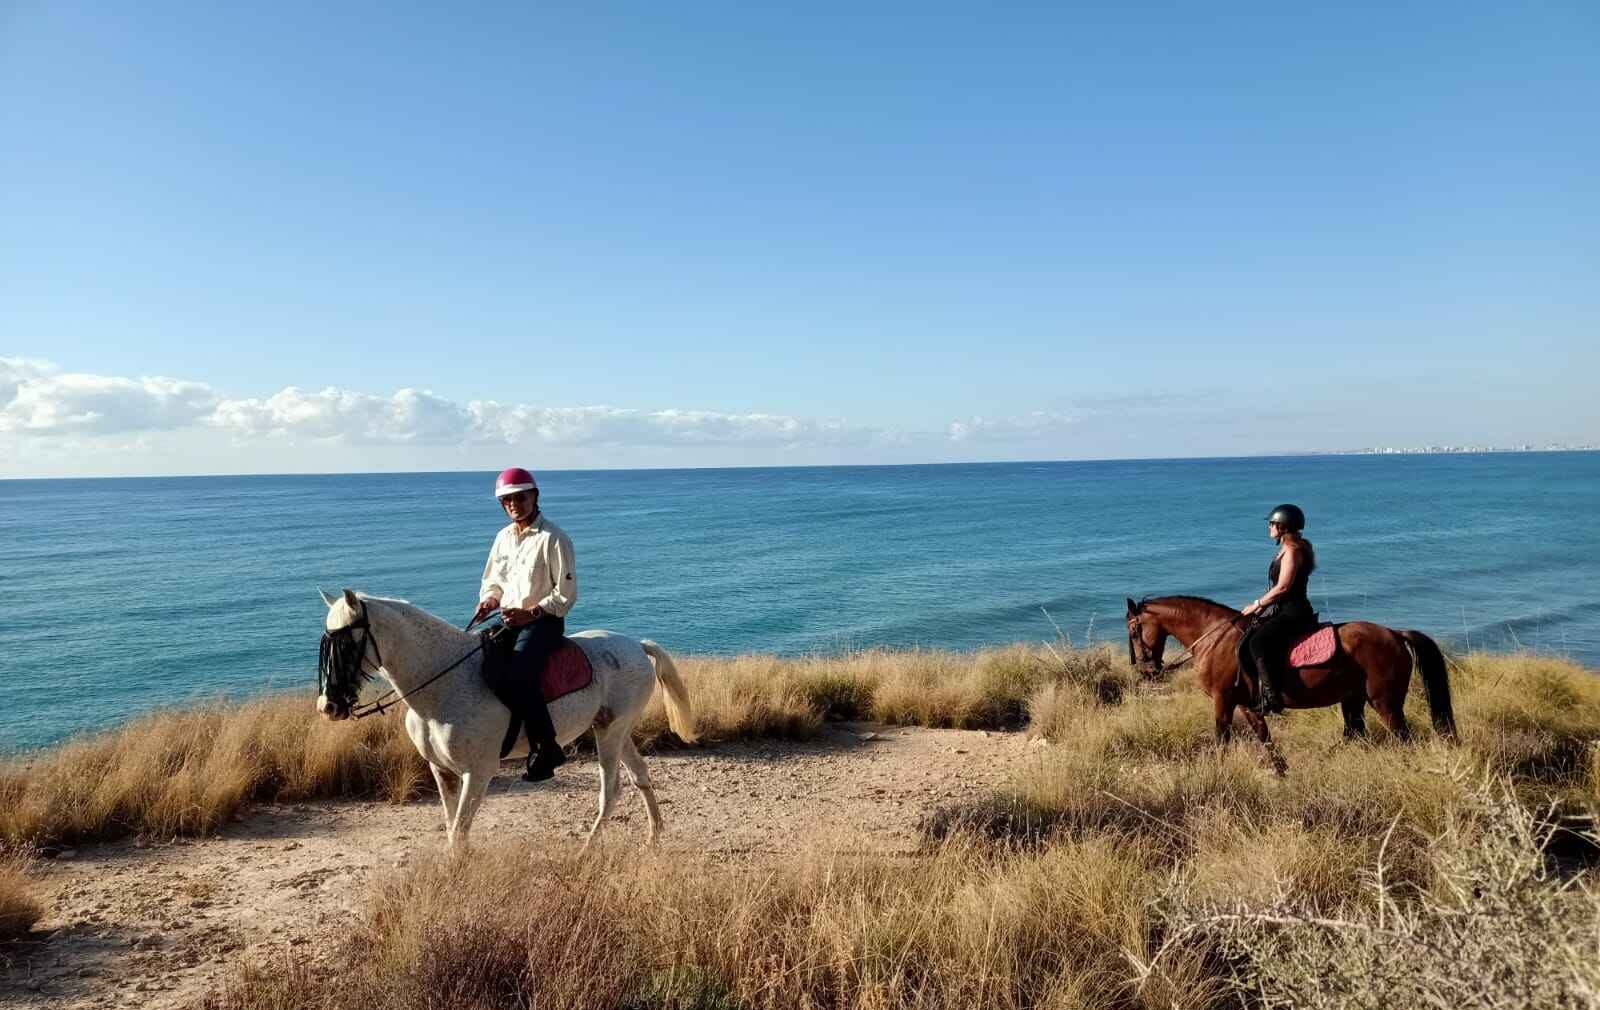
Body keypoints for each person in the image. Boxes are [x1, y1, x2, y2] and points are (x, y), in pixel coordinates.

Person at [473, 467, 578, 781]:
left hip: (543, 623)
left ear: (535, 496)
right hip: (509, 620)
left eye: (520, 497)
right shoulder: (503, 538)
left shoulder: (554, 538)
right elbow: (494, 580)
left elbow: (566, 594)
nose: (513, 504)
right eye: (507, 500)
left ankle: (546, 745)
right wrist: (489, 600)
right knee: (483, 664)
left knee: (519, 673)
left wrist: (530, 613)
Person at [1238, 503, 1317, 715]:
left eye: (1272, 524)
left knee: (1258, 642)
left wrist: (1257, 604)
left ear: (1283, 527)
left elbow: (1282, 587)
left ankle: (1272, 698)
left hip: (1294, 611)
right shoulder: (1288, 549)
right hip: (1282, 609)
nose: (1269, 528)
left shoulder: (1292, 551)